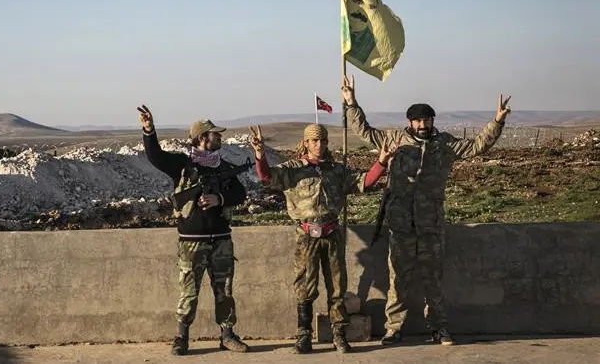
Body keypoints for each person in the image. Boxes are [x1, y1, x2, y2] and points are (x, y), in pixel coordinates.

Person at [341, 75, 512, 346]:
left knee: (433, 280)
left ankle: (439, 328)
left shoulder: (443, 145)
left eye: (427, 120)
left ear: (433, 121)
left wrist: (497, 121)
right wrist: (351, 103)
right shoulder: (394, 140)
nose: (423, 125)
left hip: (431, 226)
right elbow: (365, 131)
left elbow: (478, 146)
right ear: (410, 122)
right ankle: (393, 328)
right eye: (419, 121)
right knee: (398, 280)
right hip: (401, 226)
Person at [248, 122, 394, 354]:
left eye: (323, 140)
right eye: (314, 140)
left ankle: (339, 334)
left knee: (337, 286)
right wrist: (259, 154)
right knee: (305, 286)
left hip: (332, 234)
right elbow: (266, 177)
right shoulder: (292, 169)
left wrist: (382, 161)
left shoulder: (337, 170)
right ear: (305, 143)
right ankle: (304, 335)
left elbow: (363, 183)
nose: (319, 145)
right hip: (306, 236)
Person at [137, 105, 250, 356]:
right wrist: (149, 130)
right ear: (202, 138)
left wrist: (218, 199)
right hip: (191, 241)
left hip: (221, 239)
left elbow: (240, 193)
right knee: (189, 290)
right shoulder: (181, 164)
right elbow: (155, 156)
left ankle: (228, 335)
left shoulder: (224, 167)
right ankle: (181, 337)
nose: (220, 138)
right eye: (215, 135)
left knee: (225, 290)